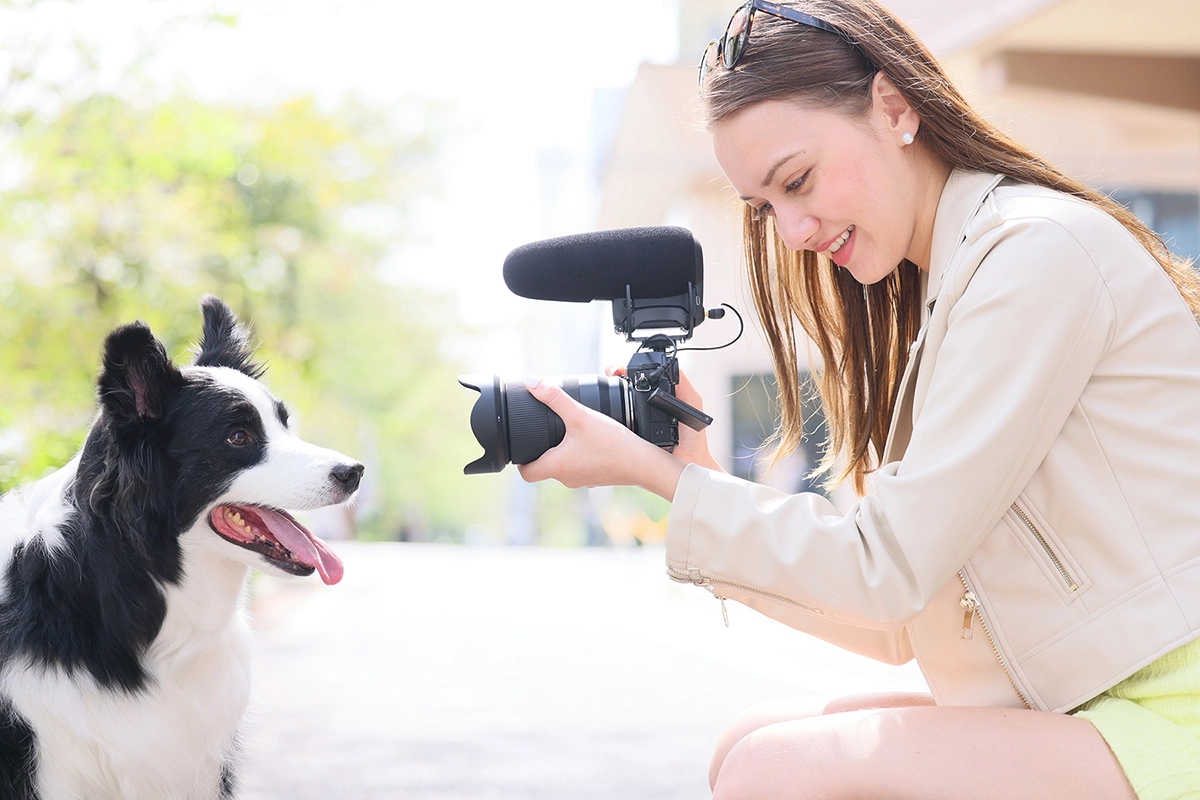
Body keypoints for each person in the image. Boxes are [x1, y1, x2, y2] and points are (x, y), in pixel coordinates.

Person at [518, 1, 1200, 797]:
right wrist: (692, 479)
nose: (793, 230)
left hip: (1169, 707)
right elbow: (893, 625)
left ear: (894, 107)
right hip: (1081, 693)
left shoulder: (1033, 255)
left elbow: (887, 573)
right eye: (766, 207)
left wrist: (670, 484)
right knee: (751, 741)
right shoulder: (952, 285)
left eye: (798, 181)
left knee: (774, 770)